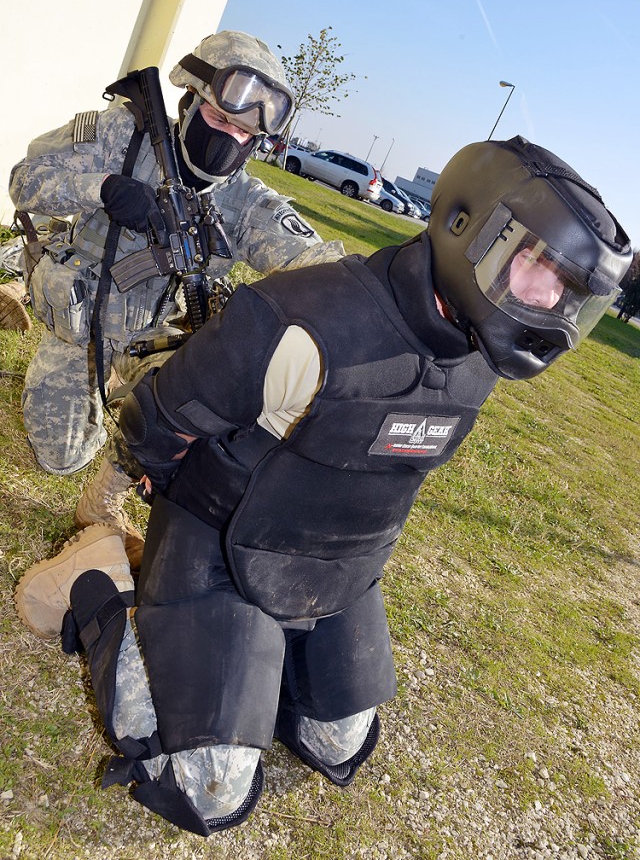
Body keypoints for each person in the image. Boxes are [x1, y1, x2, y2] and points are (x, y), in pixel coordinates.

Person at [14, 136, 632, 835]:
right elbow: (155, 418)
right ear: (468, 225)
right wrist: (150, 493)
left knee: (337, 744)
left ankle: (247, 661)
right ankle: (98, 585)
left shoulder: (478, 361)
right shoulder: (304, 319)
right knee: (209, 792)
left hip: (333, 567)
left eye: (569, 293)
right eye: (537, 270)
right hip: (218, 546)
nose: (550, 307)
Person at [7, 30, 344, 564]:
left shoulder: (244, 199)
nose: (230, 137)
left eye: (243, 131)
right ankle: (19, 290)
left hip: (157, 343)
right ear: (189, 101)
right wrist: (100, 187)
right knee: (59, 457)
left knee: (210, 407)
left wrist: (386, 287)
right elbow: (24, 182)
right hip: (80, 326)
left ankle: (104, 502)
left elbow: (318, 263)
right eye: (219, 119)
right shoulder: (123, 134)